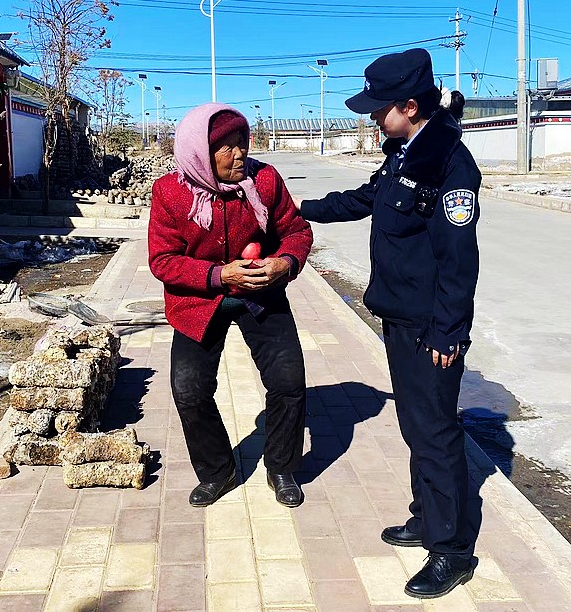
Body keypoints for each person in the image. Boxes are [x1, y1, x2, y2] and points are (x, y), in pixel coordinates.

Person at [297, 48, 481, 599]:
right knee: (416, 426)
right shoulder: (406, 154)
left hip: (430, 327)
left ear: (410, 106)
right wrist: (298, 208)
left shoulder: (448, 165)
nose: (374, 116)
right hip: (401, 317)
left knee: (436, 431)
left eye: (381, 108)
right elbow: (363, 199)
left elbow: (459, 261)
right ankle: (426, 516)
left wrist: (449, 331)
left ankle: (451, 550)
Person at [149, 103, 313, 508]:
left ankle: (281, 467)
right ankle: (217, 471)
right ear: (200, 152)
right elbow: (163, 260)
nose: (240, 154)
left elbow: (296, 231)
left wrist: (284, 263)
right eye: (227, 147)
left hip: (260, 294)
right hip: (198, 302)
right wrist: (219, 276)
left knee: (288, 382)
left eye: (242, 143)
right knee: (189, 390)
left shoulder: (265, 180)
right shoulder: (170, 192)